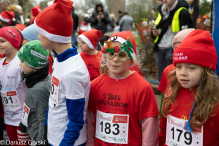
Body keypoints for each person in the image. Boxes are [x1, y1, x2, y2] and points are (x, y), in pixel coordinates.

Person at [86, 31, 159, 146]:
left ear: (131, 59)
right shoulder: (95, 85)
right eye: (111, 54)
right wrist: (89, 142)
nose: (115, 59)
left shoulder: (143, 87)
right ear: (105, 56)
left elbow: (149, 124)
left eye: (122, 55)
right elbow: (90, 119)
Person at [34, 0, 90, 146]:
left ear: (52, 34)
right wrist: (47, 126)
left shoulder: (73, 72)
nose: (38, 36)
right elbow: (54, 98)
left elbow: (76, 121)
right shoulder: (59, 59)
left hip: (67, 142)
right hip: (54, 136)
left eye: (40, 32)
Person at [159, 30, 219, 146]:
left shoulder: (215, 104)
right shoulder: (171, 96)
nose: (183, 73)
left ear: (206, 71)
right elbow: (163, 134)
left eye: (191, 68)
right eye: (179, 66)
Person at [0, 26, 31, 146]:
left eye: (2, 41)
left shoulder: (21, 63)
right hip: (8, 118)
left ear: (14, 42)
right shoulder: (1, 63)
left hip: (23, 119)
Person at [18, 40, 50, 145]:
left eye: (23, 61)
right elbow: (31, 105)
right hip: (31, 127)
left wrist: (41, 141)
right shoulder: (34, 78)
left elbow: (43, 119)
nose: (20, 64)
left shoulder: (38, 89)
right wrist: (24, 121)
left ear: (34, 65)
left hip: (37, 136)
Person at [151, 0, 193, 81]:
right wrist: (153, 33)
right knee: (162, 79)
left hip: (174, 49)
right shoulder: (161, 12)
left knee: (173, 80)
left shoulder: (182, 12)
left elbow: (188, 34)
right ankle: (163, 94)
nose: (164, 0)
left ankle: (172, 94)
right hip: (160, 49)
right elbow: (155, 29)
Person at [157, 28, 195, 119]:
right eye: (176, 49)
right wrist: (161, 118)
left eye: (183, 48)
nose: (179, 53)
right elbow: (164, 99)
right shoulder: (167, 71)